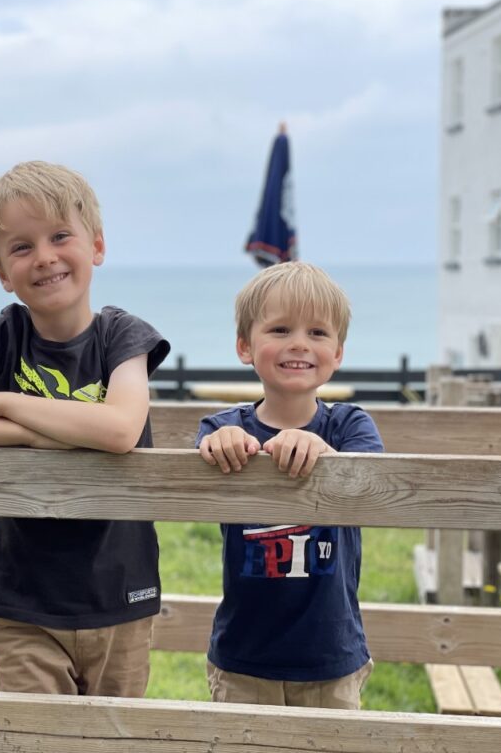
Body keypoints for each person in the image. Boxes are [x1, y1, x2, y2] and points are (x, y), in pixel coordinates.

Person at [0, 161, 170, 697]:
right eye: (21, 247)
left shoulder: (123, 336)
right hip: (26, 599)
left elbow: (118, 430)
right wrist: (30, 433)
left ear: (97, 246)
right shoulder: (2, 339)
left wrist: (1, 403)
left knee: (115, 742)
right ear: (2, 272)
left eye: (60, 236)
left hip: (121, 591)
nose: (44, 257)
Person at [196, 261, 383, 709]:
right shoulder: (220, 426)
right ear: (245, 346)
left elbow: (371, 484)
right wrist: (217, 444)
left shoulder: (349, 426)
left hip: (330, 657)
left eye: (318, 333)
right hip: (243, 659)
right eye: (280, 330)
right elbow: (195, 470)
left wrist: (320, 449)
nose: (299, 343)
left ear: (338, 353)